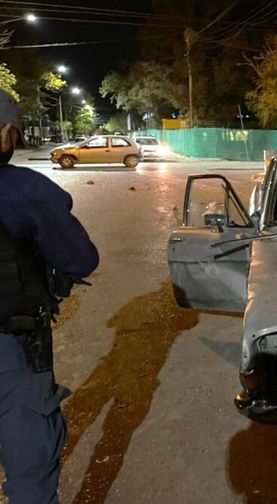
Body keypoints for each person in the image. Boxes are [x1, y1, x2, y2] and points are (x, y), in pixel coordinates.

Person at [0, 89, 99, 502]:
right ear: (7, 134)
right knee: (30, 468)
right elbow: (80, 258)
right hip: (12, 352)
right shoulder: (22, 190)